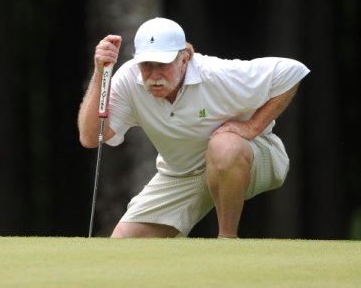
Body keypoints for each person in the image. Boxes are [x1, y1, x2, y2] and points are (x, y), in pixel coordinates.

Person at [78, 17, 310, 238]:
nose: (155, 75)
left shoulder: (216, 73)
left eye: (163, 64)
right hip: (181, 174)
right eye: (147, 64)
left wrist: (251, 127)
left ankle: (227, 240)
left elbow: (292, 71)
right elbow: (91, 137)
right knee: (122, 248)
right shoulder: (129, 79)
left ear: (185, 59)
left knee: (223, 145)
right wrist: (100, 72)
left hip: (256, 154)